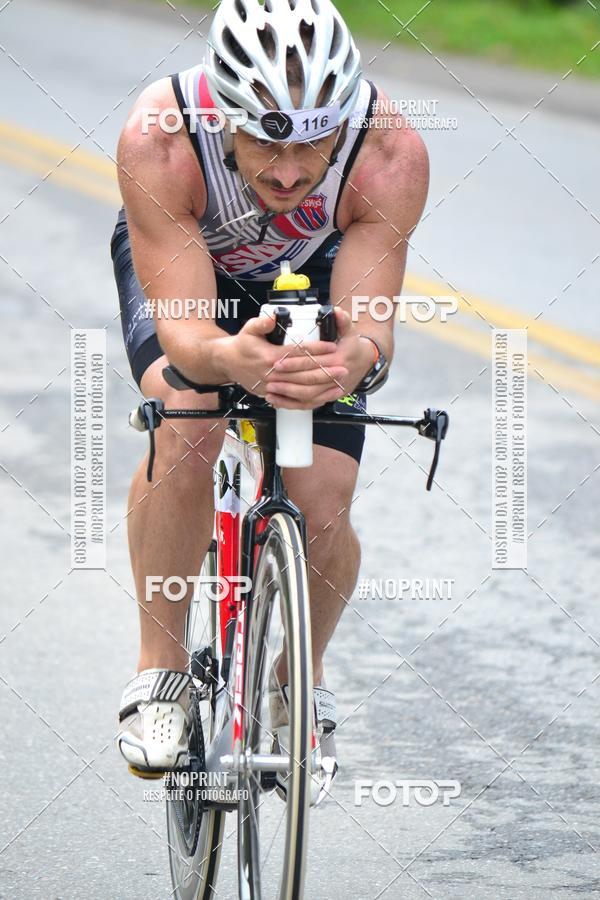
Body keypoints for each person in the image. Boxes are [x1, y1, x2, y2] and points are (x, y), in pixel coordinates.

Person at [112, 0, 428, 778]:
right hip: (197, 270)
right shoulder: (163, 138)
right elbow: (187, 338)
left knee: (323, 495)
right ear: (223, 115)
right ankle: (162, 674)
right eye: (263, 142)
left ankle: (295, 676)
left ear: (344, 120)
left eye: (315, 144)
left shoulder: (390, 151)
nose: (289, 173)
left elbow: (369, 331)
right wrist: (228, 358)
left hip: (313, 272)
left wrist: (346, 364)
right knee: (189, 419)